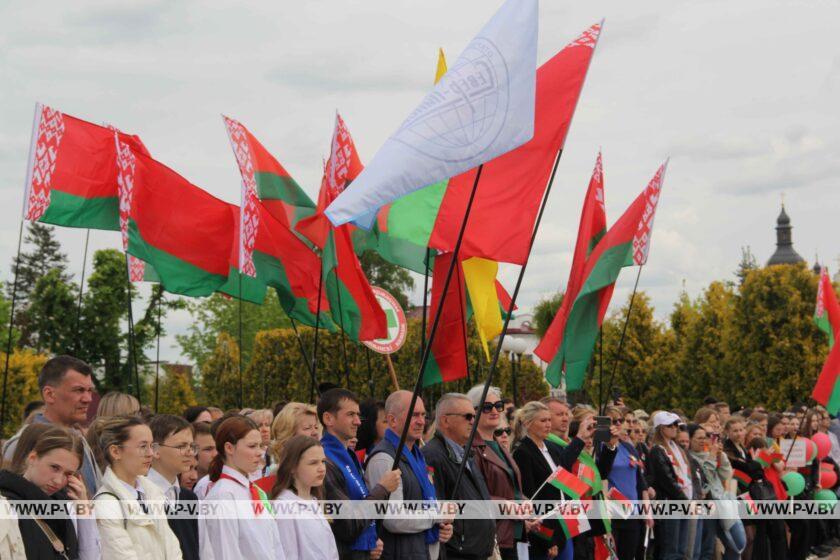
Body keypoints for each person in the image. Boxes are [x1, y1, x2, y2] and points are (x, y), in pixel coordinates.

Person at [366, 390, 453, 560]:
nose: (421, 421)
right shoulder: (385, 458)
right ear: (392, 420)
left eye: (423, 415)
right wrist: (436, 516)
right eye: (414, 415)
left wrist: (442, 527)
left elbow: (425, 503)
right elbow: (394, 519)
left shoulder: (416, 455)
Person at [318, 388, 399, 560]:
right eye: (350, 415)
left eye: (358, 415)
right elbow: (347, 525)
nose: (358, 421)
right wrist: (382, 489)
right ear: (328, 418)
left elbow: (359, 504)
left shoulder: (348, 454)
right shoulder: (324, 460)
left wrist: (371, 539)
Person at [3, 355, 101, 495]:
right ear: (49, 394)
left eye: (89, 390)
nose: (88, 399)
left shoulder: (79, 439)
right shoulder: (22, 442)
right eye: (79, 390)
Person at [0, 424, 99, 559]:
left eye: (68, 474)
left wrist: (84, 509)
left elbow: (89, 556)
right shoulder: (7, 504)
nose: (58, 481)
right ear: (32, 458)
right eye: (54, 467)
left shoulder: (65, 505)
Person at [93, 415, 183, 560]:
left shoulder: (153, 494)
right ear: (115, 452)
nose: (151, 454)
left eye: (151, 446)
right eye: (143, 446)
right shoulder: (106, 504)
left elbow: (173, 550)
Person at [512, 401, 591, 560]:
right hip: (544, 533)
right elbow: (530, 498)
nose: (548, 424)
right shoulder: (523, 452)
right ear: (528, 423)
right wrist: (547, 539)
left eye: (549, 420)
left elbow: (563, 479)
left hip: (564, 525)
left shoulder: (551, 447)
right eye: (543, 421)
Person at [422, 393, 496, 560]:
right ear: (445, 421)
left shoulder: (466, 453)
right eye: (467, 416)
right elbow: (437, 508)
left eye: (474, 416)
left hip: (477, 551)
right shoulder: (433, 456)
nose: (473, 421)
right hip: (457, 553)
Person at [201, 415, 285, 559]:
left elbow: (273, 544)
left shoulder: (252, 490)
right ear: (229, 448)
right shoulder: (223, 496)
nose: (259, 452)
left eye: (260, 446)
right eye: (252, 446)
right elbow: (225, 553)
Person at [467, 385, 528, 560]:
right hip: (493, 536)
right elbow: (474, 494)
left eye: (498, 405)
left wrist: (524, 502)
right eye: (487, 407)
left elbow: (510, 486)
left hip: (512, 532)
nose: (494, 411)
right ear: (473, 412)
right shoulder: (471, 448)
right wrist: (509, 505)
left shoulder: (499, 445)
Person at [270, 435, 339, 560]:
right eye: (313, 463)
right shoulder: (284, 507)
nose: (322, 469)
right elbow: (287, 554)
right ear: (292, 467)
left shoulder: (314, 500)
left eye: (323, 461)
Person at [148, 415, 200, 560]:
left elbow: (195, 548)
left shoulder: (188, 497)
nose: (189, 452)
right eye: (181, 446)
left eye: (191, 446)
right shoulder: (141, 497)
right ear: (156, 450)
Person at [603, 406, 650, 560]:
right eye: (612, 421)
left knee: (630, 555)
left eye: (619, 420)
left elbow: (640, 481)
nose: (617, 423)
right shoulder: (601, 447)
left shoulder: (628, 447)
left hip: (632, 512)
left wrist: (647, 510)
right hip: (613, 512)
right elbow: (601, 473)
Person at [646, 411, 692, 560]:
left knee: (680, 550)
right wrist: (684, 500)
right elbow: (667, 480)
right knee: (670, 551)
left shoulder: (677, 448)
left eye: (676, 424)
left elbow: (685, 476)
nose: (674, 428)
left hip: (682, 502)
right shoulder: (657, 450)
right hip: (669, 504)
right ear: (661, 428)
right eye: (670, 425)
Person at [268, 402, 320, 469]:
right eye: (307, 428)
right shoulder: (275, 476)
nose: (315, 432)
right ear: (288, 435)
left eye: (316, 427)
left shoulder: (324, 470)